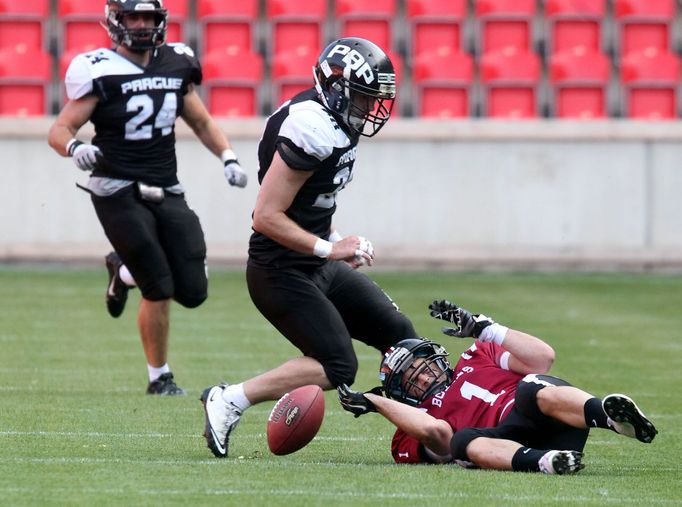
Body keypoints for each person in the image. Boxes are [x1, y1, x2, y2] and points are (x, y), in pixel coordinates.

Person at [200, 37, 418, 458]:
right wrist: (329, 250)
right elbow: (265, 216)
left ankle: (418, 434)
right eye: (363, 96)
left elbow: (314, 201)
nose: (371, 107)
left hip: (313, 261)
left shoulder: (336, 123)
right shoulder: (311, 127)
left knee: (400, 335)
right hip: (278, 269)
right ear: (336, 86)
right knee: (338, 365)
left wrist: (334, 242)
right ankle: (228, 400)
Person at [47, 0, 247, 396]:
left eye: (148, 18)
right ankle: (160, 378)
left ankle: (122, 271)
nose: (141, 25)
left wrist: (228, 157)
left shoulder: (175, 64)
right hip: (115, 186)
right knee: (158, 285)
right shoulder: (100, 70)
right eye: (133, 17)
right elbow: (60, 128)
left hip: (166, 185)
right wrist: (74, 148)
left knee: (193, 290)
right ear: (116, 22)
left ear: (161, 23)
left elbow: (201, 120)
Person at [338, 299, 658, 475]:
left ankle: (613, 420)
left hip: (550, 416)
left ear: (437, 358)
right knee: (462, 442)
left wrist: (485, 329)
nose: (423, 378)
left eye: (423, 368)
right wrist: (374, 402)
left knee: (531, 384)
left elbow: (542, 358)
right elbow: (439, 436)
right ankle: (548, 463)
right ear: (400, 395)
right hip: (511, 445)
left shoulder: (477, 355)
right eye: (411, 379)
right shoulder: (411, 426)